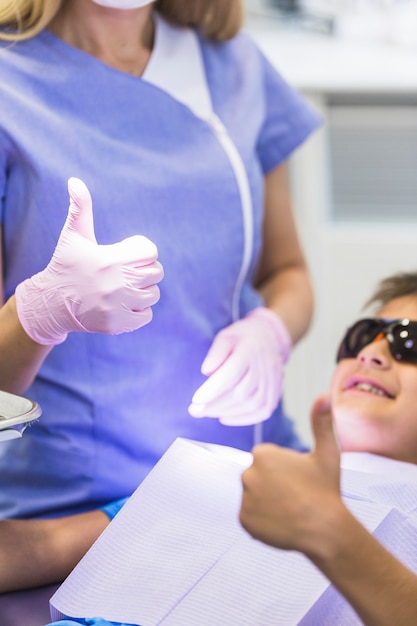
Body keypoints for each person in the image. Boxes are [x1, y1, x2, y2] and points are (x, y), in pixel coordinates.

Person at [0, 0, 320, 526]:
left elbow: (288, 272)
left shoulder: (232, 62)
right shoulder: (11, 83)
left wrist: (272, 330)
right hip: (70, 514)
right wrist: (40, 312)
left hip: (252, 484)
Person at [240, 270, 417, 626]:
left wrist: (332, 531)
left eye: (409, 342)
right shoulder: (262, 479)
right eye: (362, 336)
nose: (369, 354)